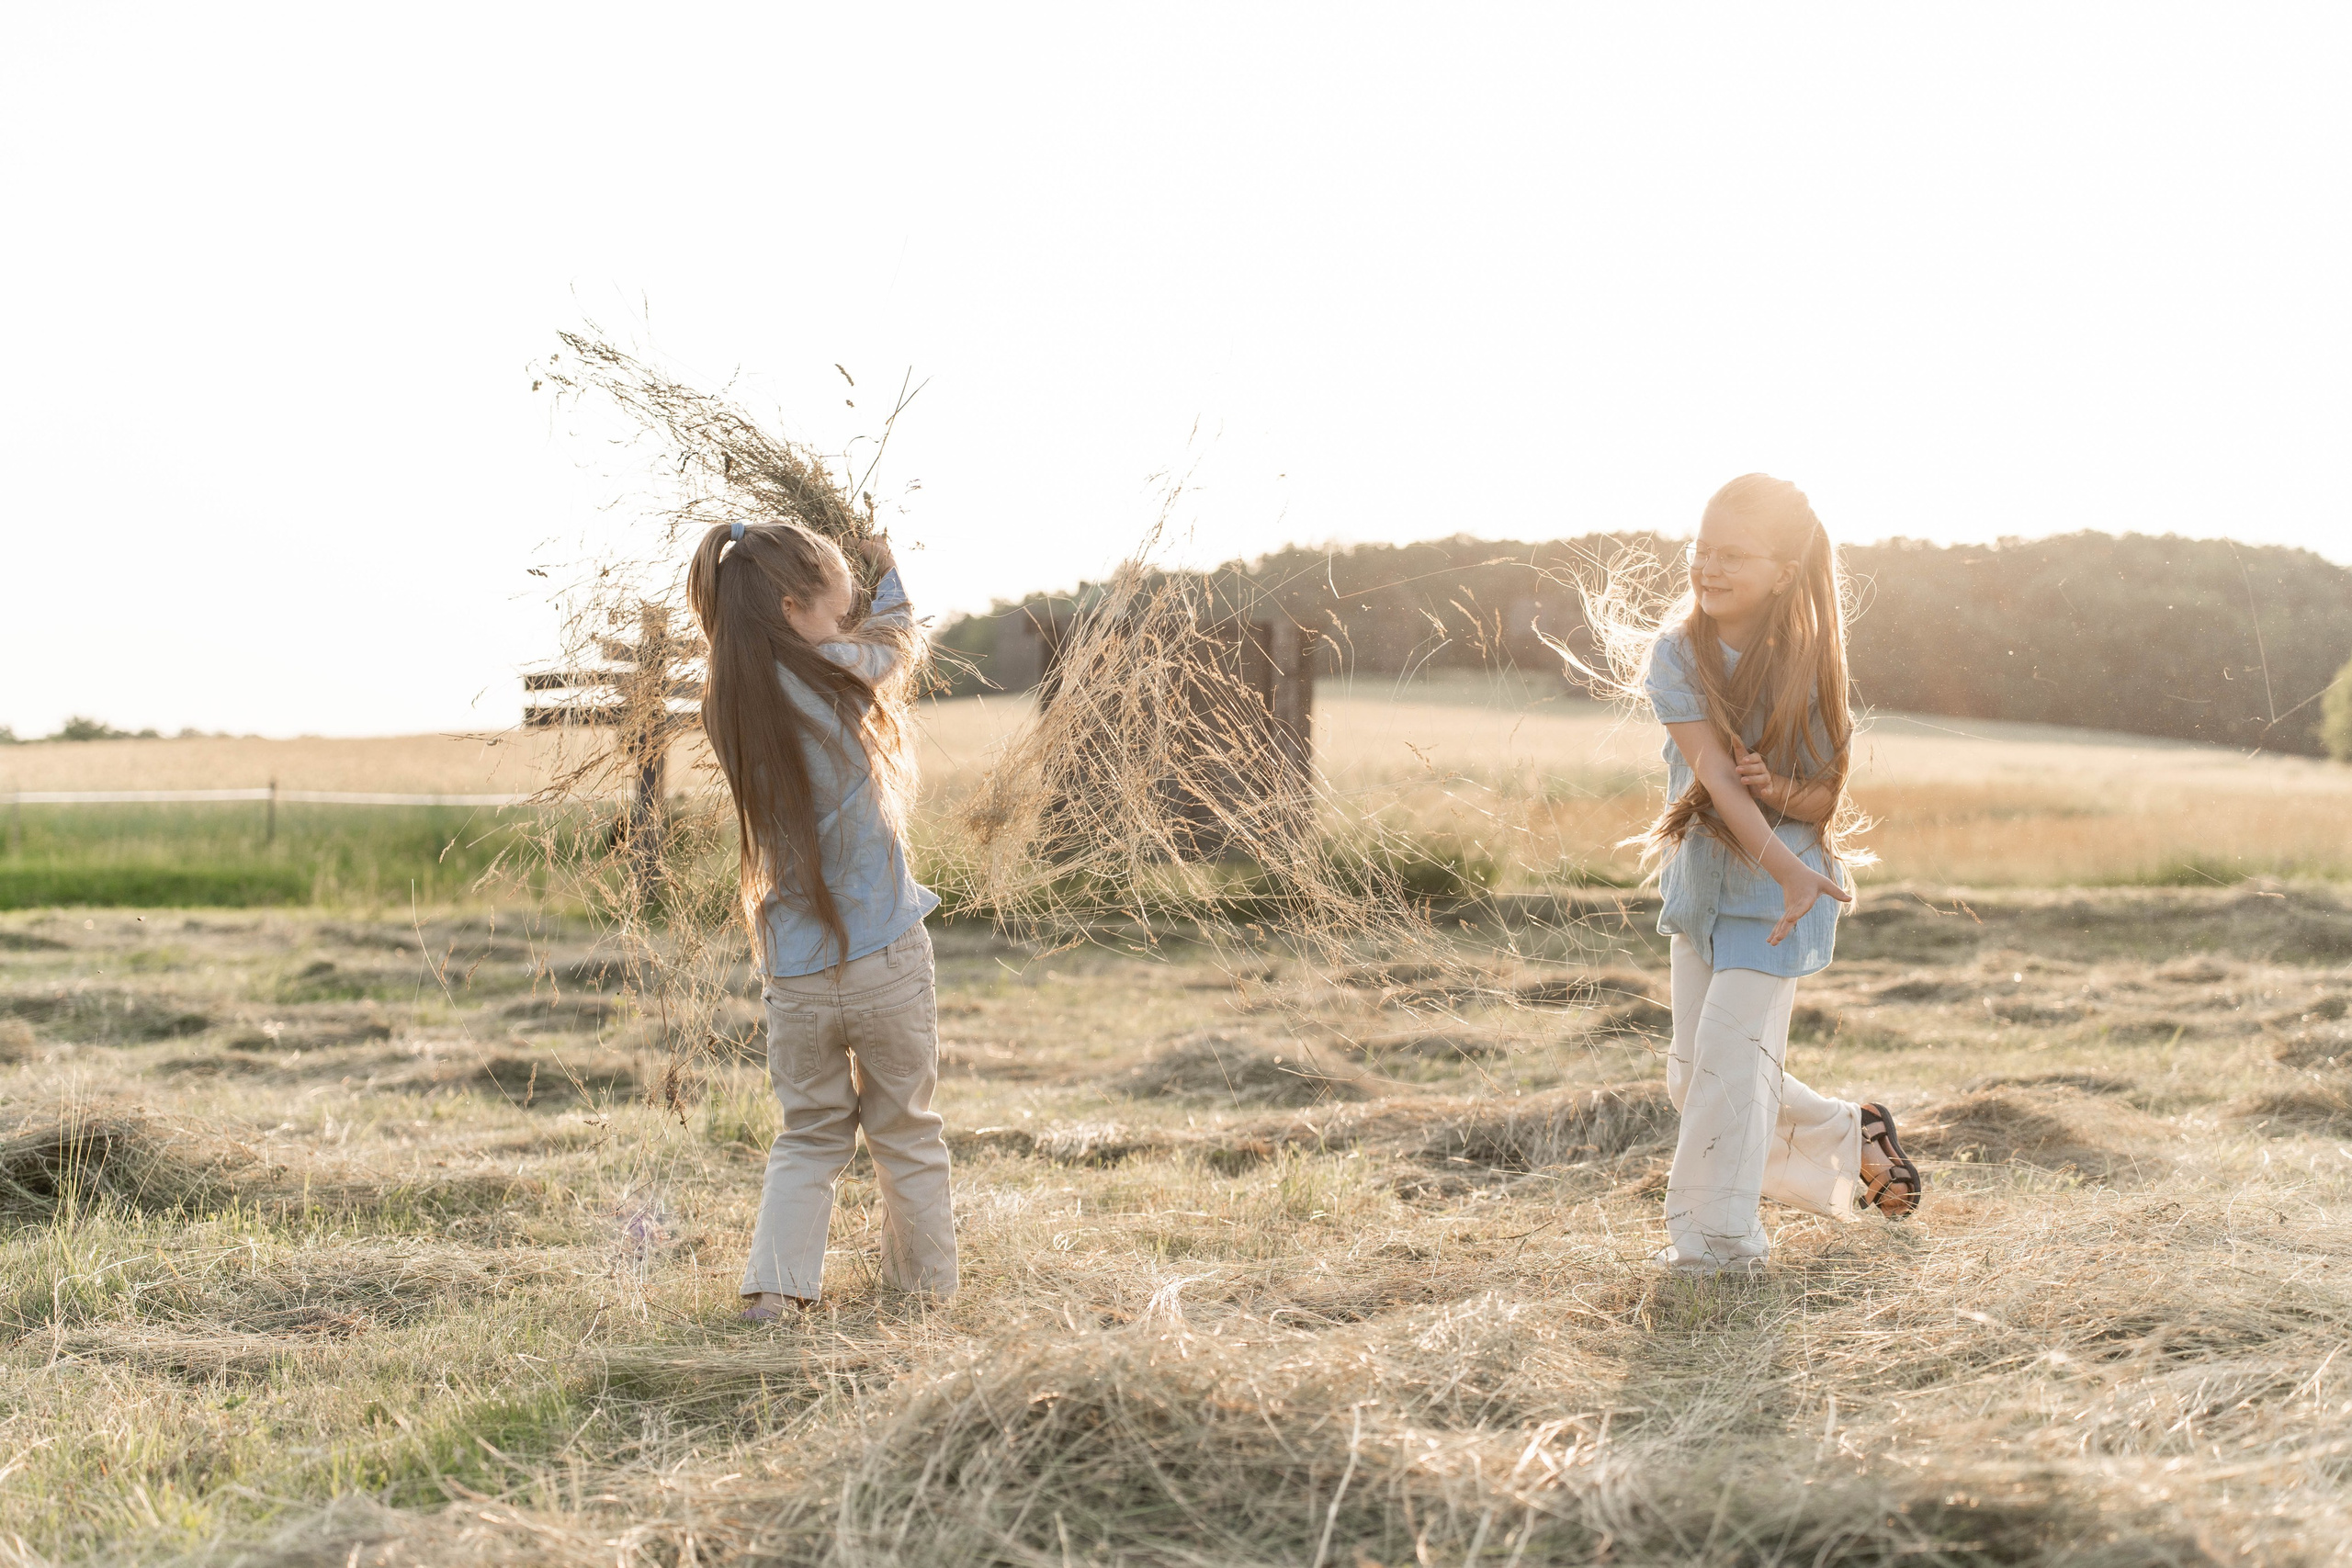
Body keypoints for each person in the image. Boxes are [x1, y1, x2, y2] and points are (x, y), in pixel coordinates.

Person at [1577, 475, 1922, 1276]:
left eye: (1733, 554)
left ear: (1783, 571)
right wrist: (1779, 848)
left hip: (1777, 902)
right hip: (1706, 886)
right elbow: (1715, 780)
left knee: (1727, 1073)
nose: (1709, 566)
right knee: (1692, 1076)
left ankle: (1719, 1250)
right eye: (1702, 549)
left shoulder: (1812, 664)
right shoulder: (1677, 653)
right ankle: (1849, 1135)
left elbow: (1824, 796)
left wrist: (1784, 801)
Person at [685, 518, 956, 1318]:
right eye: (839, 614)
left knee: (807, 1134)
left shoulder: (725, 702)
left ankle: (774, 1292)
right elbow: (895, 642)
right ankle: (925, 1295)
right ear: (793, 607)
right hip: (884, 954)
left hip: (795, 969)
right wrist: (887, 571)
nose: (847, 627)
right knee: (906, 1130)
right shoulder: (838, 667)